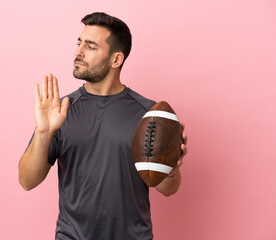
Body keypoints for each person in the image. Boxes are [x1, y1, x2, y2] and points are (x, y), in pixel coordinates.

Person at [18, 12, 188, 240]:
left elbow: (169, 190)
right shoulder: (60, 110)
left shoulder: (150, 115)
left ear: (116, 59)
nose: (78, 52)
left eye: (90, 46)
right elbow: (27, 181)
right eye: (79, 43)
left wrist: (171, 170)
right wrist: (43, 132)